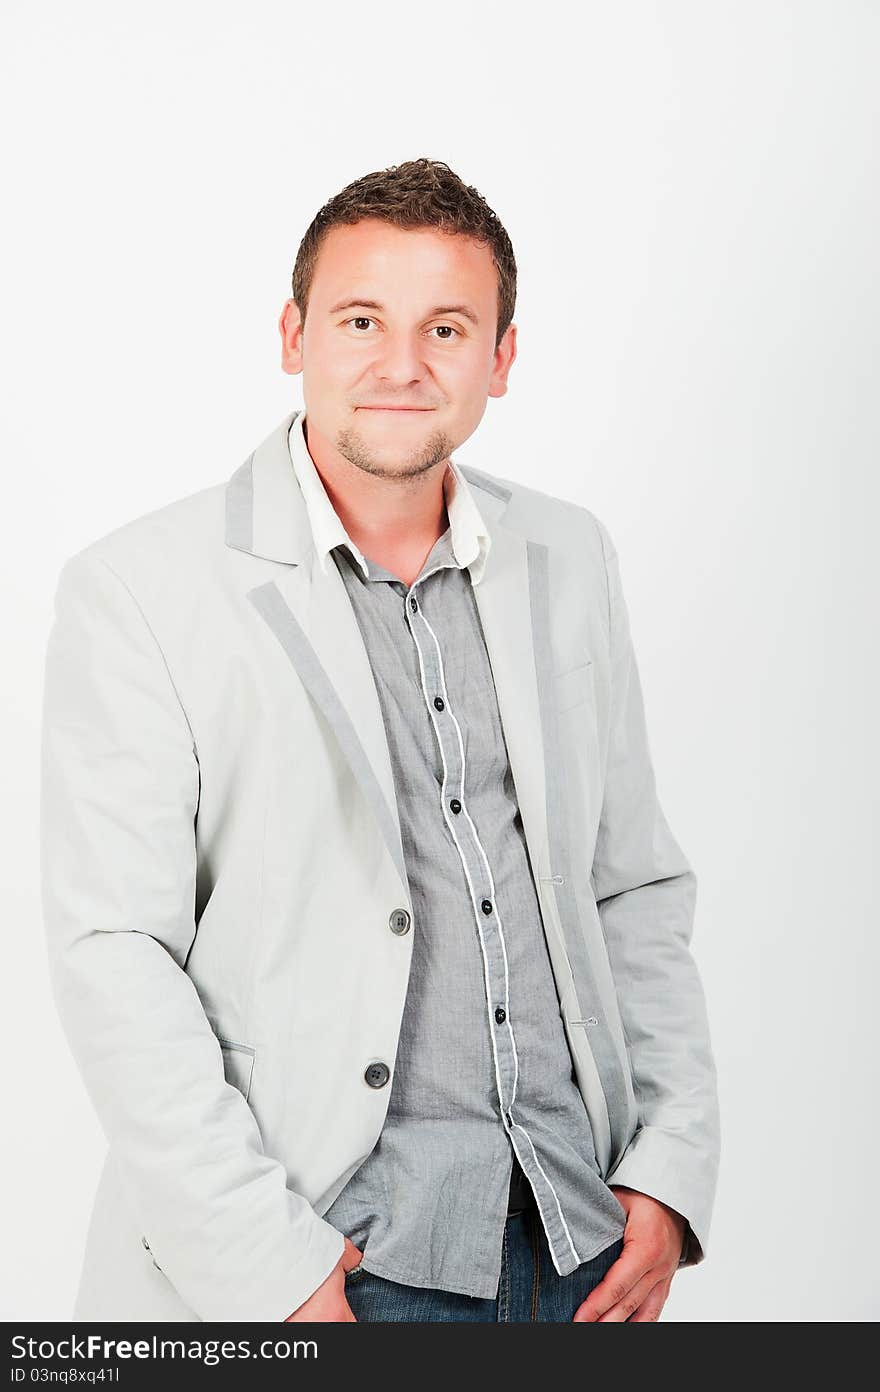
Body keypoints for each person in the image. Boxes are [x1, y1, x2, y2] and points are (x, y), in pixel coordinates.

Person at [40, 157, 720, 1324]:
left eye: (447, 327)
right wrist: (266, 1269)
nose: (402, 365)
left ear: (501, 357)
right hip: (335, 1251)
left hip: (578, 1242)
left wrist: (666, 1174)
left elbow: (633, 886)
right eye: (362, 319)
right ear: (295, 333)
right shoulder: (141, 588)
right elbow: (116, 956)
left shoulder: (567, 556)